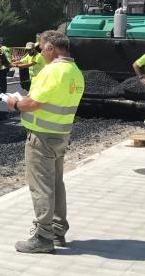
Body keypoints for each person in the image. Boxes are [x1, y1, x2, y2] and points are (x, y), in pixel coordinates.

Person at [5, 32, 85, 254]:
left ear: (51, 48)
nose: (40, 53)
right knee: (56, 183)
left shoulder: (53, 71)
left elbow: (33, 103)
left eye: (42, 48)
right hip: (61, 135)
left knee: (41, 186)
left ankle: (43, 237)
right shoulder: (75, 72)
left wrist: (14, 103)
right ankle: (58, 230)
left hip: (42, 136)